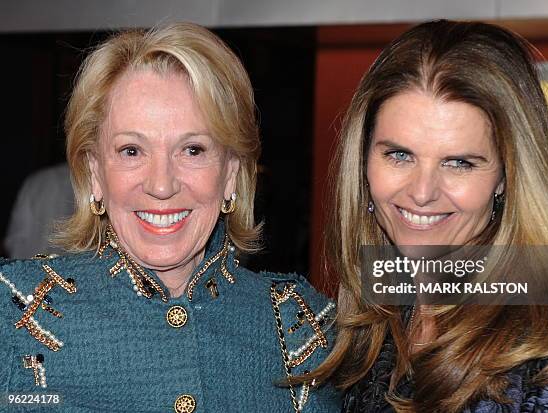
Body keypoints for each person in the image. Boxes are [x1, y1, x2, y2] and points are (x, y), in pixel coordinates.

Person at [0, 23, 340, 412]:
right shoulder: (10, 313)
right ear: (95, 171)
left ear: (230, 172)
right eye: (131, 150)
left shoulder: (306, 326)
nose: (162, 185)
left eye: (192, 150)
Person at [309, 20, 548, 412]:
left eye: (459, 163)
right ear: (363, 159)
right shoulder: (367, 326)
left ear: (507, 177)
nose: (421, 192)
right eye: (399, 155)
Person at [4, 163, 74, 258]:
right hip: (71, 266)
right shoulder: (88, 180)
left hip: (29, 264)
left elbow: (15, 236)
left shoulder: (36, 179)